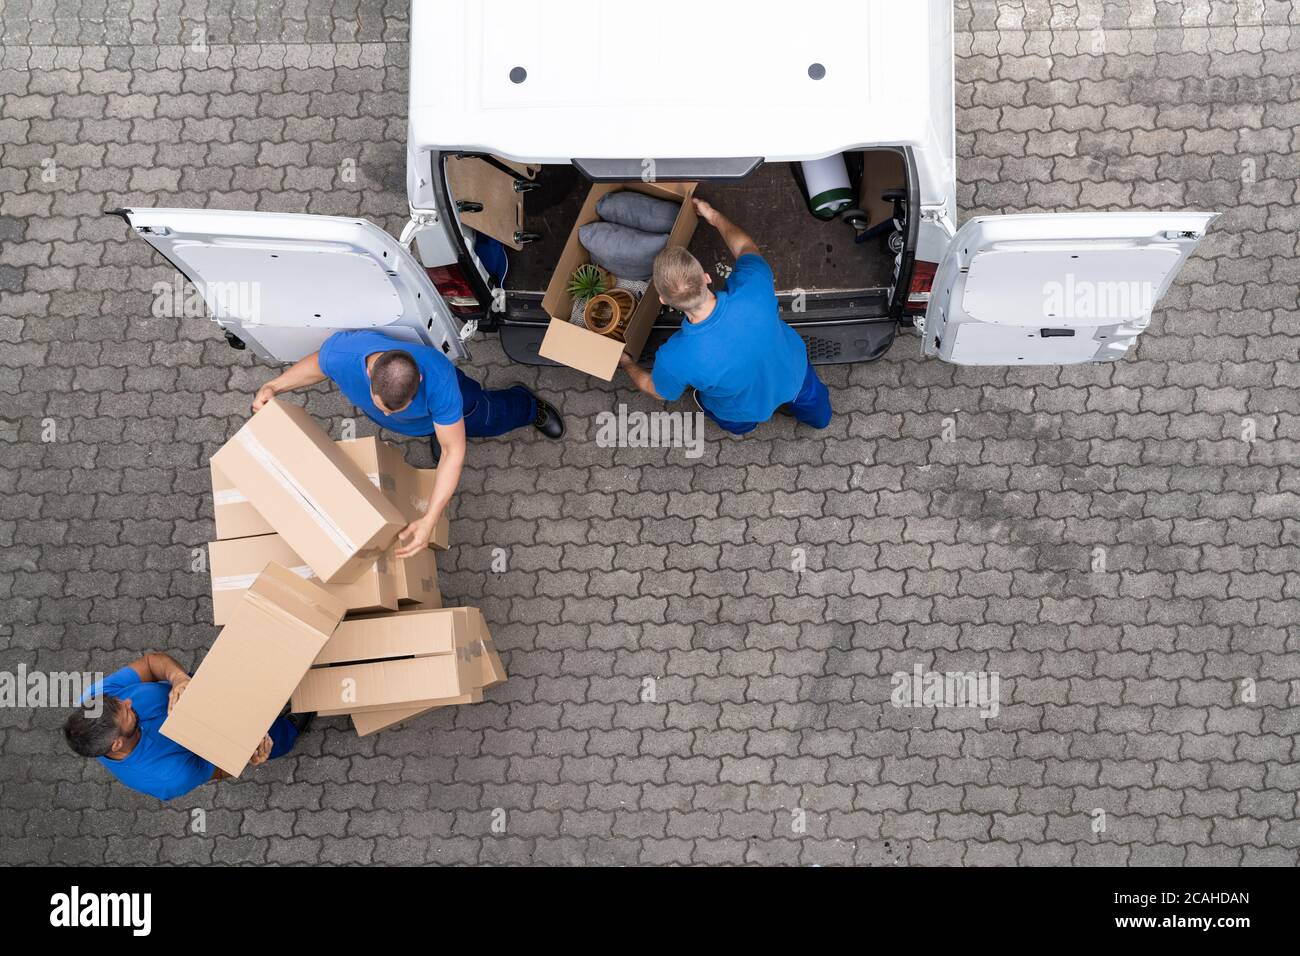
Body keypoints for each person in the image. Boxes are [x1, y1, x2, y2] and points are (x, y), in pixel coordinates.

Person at [251, 331, 564, 557]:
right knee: (443, 437)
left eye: (392, 410)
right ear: (372, 372)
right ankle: (438, 431)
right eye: (381, 406)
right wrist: (275, 385)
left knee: (486, 418)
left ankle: (525, 405)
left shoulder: (440, 381)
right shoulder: (344, 353)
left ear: (419, 387)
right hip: (428, 421)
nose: (384, 413)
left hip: (460, 406)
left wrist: (430, 518)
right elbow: (318, 365)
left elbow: (455, 453)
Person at [618, 199, 832, 436]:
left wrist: (626, 363)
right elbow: (745, 248)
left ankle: (745, 428)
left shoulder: (674, 358)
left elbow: (656, 389)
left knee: (733, 420)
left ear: (664, 301)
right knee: (819, 412)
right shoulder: (754, 285)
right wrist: (713, 215)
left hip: (741, 409)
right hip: (794, 374)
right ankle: (821, 420)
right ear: (707, 277)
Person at [61, 652, 308, 802]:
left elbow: (150, 664)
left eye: (119, 701)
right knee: (276, 737)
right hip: (230, 731)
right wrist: (247, 755)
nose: (127, 701)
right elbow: (219, 769)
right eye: (127, 711)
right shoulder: (166, 777)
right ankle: (293, 722)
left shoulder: (96, 699)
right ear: (117, 743)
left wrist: (179, 678)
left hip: (205, 688)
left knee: (252, 680)